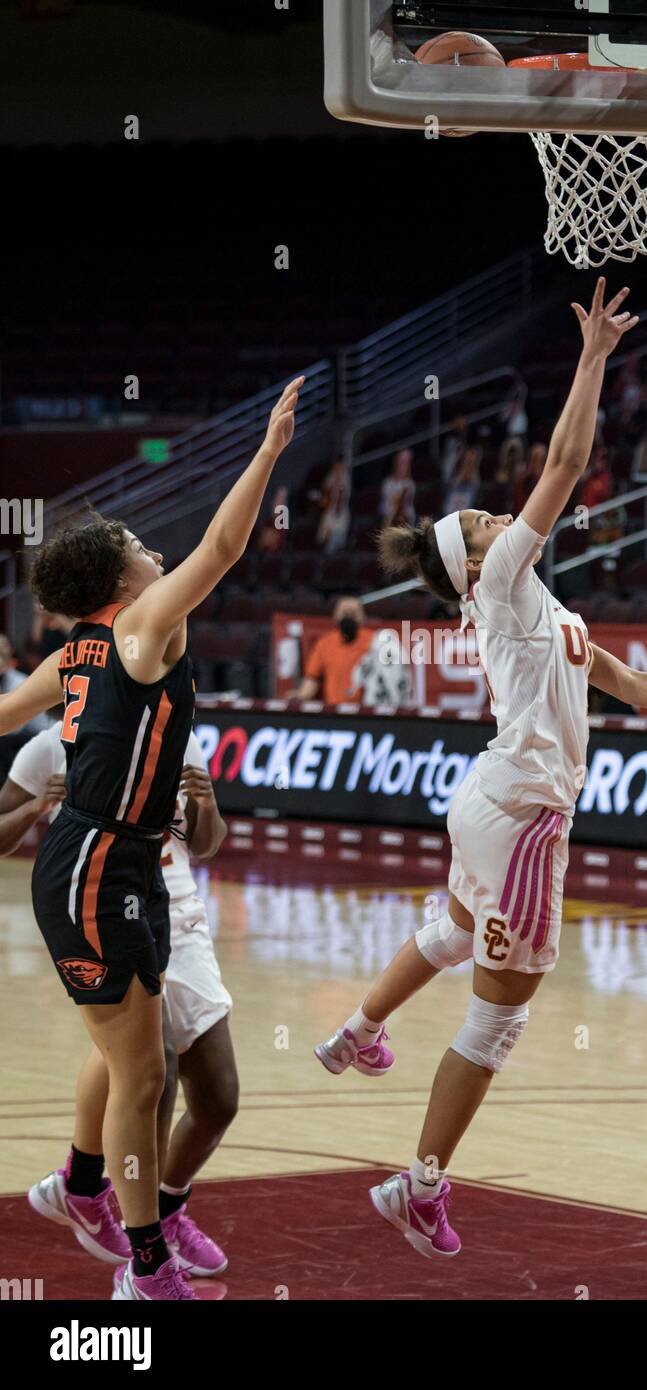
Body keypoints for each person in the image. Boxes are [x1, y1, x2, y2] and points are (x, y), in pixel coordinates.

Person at [311, 282, 647, 1259]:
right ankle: (418, 1186)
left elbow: (625, 681)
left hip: (489, 801)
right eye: (481, 516)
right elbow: (565, 462)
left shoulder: (535, 605)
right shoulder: (494, 579)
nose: (493, 516)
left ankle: (353, 1032)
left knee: (448, 928)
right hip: (523, 817)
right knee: (495, 1025)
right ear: (472, 555)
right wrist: (595, 356)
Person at [0, 374, 304, 1300]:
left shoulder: (76, 649)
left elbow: (4, 710)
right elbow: (222, 545)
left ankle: (95, 1199)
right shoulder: (139, 629)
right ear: (118, 582)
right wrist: (266, 451)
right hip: (97, 865)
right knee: (140, 1077)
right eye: (132, 545)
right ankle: (141, 1264)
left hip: (120, 862)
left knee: (142, 1068)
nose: (147, 545)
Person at [1, 722, 236, 1278]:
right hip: (113, 913)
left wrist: (203, 804)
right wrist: (36, 808)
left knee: (219, 1098)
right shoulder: (49, 746)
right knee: (156, 1073)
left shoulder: (180, 737)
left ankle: (163, 1206)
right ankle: (143, 1241)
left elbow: (207, 842)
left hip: (182, 916)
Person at [295, 596, 374, 704]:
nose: (349, 618)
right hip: (334, 712)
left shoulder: (375, 642)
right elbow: (312, 678)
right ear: (335, 615)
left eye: (353, 614)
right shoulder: (324, 643)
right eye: (345, 614)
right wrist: (300, 696)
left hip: (366, 712)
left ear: (363, 617)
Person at [0, 632, 52, 782]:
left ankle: (10, 783)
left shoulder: (18, 680)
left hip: (39, 734)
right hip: (17, 736)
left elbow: (12, 726)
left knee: (3, 742)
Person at [315, 456, 352, 554]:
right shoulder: (331, 475)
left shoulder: (346, 478)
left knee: (336, 539)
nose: (338, 468)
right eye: (336, 466)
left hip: (340, 512)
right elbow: (325, 491)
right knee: (322, 537)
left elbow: (343, 498)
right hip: (330, 510)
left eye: (340, 467)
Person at [380, 449, 416, 527]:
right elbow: (385, 509)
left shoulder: (410, 484)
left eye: (405, 463)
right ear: (395, 463)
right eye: (400, 462)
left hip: (406, 524)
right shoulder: (387, 483)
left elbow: (409, 509)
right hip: (390, 524)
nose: (402, 466)